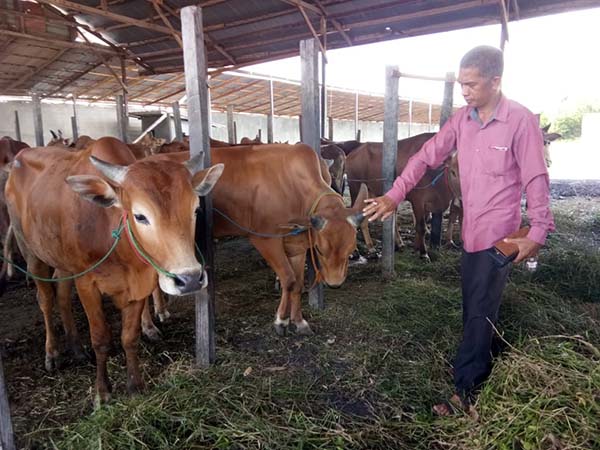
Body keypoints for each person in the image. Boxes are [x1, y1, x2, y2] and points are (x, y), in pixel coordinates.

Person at [362, 45, 555, 416]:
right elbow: (425, 156)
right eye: (461, 84)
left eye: (472, 84)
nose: (465, 92)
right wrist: (394, 195)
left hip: (500, 236)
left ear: (496, 81)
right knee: (475, 306)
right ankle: (491, 362)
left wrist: (539, 230)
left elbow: (535, 176)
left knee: (478, 309)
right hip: (470, 233)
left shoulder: (520, 121)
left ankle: (467, 393)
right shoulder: (462, 121)